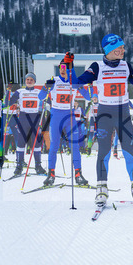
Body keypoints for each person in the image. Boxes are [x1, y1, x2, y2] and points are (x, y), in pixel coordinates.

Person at [76, 33, 133, 205]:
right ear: (110, 49)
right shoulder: (97, 67)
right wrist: (68, 68)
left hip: (123, 113)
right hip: (105, 113)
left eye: (123, 47)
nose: (123, 50)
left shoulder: (126, 66)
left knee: (129, 149)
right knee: (104, 151)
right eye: (120, 48)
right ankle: (101, 189)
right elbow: (77, 83)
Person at [41, 53, 91, 186]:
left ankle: (78, 174)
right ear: (59, 68)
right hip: (56, 116)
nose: (63, 69)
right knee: (54, 146)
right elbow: (40, 97)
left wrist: (84, 87)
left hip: (70, 117)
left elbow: (88, 97)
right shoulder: (54, 80)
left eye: (66, 67)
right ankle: (51, 175)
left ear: (70, 69)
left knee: (75, 146)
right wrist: (46, 87)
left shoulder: (74, 82)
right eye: (61, 67)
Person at [6, 72, 47, 177]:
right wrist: (8, 91)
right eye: (27, 79)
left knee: (36, 144)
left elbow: (50, 101)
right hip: (23, 118)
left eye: (31, 80)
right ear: (25, 81)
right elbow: (8, 103)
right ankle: (19, 166)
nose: (29, 81)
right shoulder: (20, 91)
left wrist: (48, 91)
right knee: (21, 143)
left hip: (34, 119)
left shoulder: (38, 92)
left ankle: (38, 166)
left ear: (34, 81)